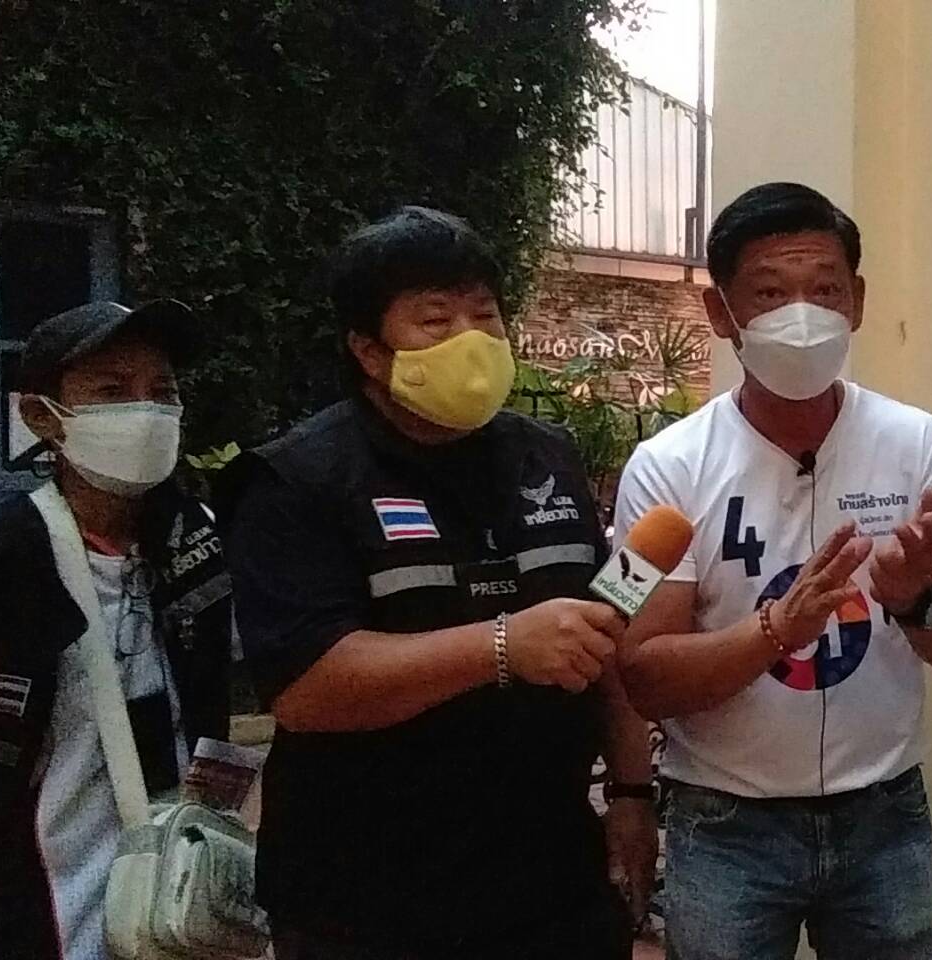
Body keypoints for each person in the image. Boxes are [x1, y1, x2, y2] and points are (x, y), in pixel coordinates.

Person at [219, 206, 656, 959]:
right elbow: (306, 689)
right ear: (368, 349)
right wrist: (501, 646)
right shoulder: (297, 479)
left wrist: (630, 790)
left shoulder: (546, 455)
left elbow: (603, 632)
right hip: (366, 896)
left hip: (549, 879)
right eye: (435, 320)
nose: (471, 340)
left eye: (484, 316)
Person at [614, 182, 932, 960]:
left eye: (825, 290)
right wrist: (774, 631)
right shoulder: (665, 469)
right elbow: (642, 674)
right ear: (721, 313)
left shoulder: (918, 444)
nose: (803, 315)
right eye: (769, 293)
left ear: (857, 302)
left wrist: (916, 600)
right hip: (727, 826)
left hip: (885, 819)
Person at [0, 300, 233, 960]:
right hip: (40, 909)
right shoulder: (3, 563)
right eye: (113, 391)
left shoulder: (193, 539)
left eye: (162, 391)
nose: (145, 411)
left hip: (175, 904)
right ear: (42, 417)